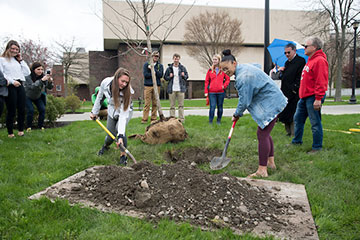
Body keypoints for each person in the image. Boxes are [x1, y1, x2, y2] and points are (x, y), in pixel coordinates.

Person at [220, 49, 287, 178]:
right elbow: (257, 66)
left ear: (234, 63)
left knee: (262, 134)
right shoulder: (243, 68)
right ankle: (270, 163)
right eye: (222, 70)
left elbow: (244, 101)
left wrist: (237, 114)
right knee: (265, 131)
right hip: (274, 100)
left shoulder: (243, 77)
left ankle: (262, 170)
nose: (225, 72)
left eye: (226, 68)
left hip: (272, 103)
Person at [291, 37, 329, 153]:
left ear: (314, 47)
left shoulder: (320, 61)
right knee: (297, 119)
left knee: (315, 122)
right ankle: (297, 141)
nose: (304, 48)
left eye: (306, 46)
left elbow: (321, 81)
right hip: (304, 97)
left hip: (313, 97)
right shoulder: (311, 60)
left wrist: (318, 99)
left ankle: (317, 147)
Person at [90, 67, 134, 166]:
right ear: (116, 77)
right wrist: (94, 112)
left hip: (125, 111)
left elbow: (123, 116)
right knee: (110, 135)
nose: (124, 84)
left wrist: (121, 136)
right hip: (111, 110)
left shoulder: (127, 92)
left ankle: (123, 155)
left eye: (126, 82)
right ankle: (105, 146)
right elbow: (99, 97)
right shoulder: (105, 83)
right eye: (122, 81)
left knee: (119, 129)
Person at [0, 40, 31, 138]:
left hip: (20, 85)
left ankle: (21, 130)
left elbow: (27, 72)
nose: (14, 51)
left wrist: (21, 60)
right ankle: (10, 132)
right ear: (8, 48)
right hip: (10, 85)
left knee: (22, 108)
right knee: (11, 109)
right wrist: (12, 82)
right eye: (13, 48)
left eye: (17, 49)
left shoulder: (17, 61)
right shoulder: (2, 60)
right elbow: (2, 74)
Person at [277, 43, 306, 136]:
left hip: (294, 93)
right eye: (285, 53)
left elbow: (300, 77)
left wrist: (294, 89)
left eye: (288, 52)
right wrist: (281, 71)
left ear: (294, 51)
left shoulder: (300, 61)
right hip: (285, 91)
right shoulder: (287, 63)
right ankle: (288, 131)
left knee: (293, 113)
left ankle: (294, 133)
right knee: (285, 112)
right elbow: (284, 77)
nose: (287, 55)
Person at [24, 62, 53, 131]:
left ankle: (41, 126)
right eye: (38, 69)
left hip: (37, 96)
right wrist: (41, 81)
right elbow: (33, 87)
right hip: (27, 96)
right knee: (30, 110)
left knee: (42, 109)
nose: (40, 71)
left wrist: (49, 81)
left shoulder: (43, 77)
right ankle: (29, 127)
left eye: (42, 69)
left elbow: (49, 87)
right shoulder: (28, 77)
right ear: (33, 70)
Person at [204, 54, 230, 124]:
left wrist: (224, 86)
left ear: (219, 60)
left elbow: (228, 79)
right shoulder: (210, 70)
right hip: (212, 92)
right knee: (212, 107)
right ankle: (210, 122)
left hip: (221, 92)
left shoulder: (223, 70)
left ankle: (218, 121)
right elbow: (206, 81)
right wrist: (206, 91)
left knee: (220, 107)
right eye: (213, 59)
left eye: (215, 59)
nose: (214, 61)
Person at [164, 53, 189, 122]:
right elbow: (165, 77)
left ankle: (181, 119)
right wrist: (170, 76)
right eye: (175, 58)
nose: (176, 60)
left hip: (180, 89)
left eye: (177, 59)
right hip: (172, 89)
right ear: (173, 59)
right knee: (172, 106)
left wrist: (184, 75)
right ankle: (172, 119)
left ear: (179, 59)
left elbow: (187, 77)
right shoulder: (169, 68)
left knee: (181, 105)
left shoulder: (182, 68)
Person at [141, 51, 163, 124]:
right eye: (154, 56)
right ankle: (144, 119)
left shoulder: (160, 66)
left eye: (157, 56)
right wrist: (151, 72)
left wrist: (153, 69)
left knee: (155, 103)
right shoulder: (146, 65)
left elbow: (160, 75)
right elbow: (146, 75)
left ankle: (153, 119)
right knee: (147, 103)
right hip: (148, 86)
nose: (155, 57)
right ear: (152, 56)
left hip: (157, 86)